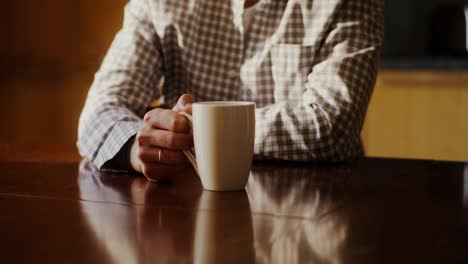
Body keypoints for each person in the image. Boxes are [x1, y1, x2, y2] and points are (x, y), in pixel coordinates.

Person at [78, 0, 384, 182]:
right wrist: (141, 147)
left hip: (314, 214)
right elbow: (98, 112)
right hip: (183, 216)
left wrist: (200, 130)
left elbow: (334, 126)